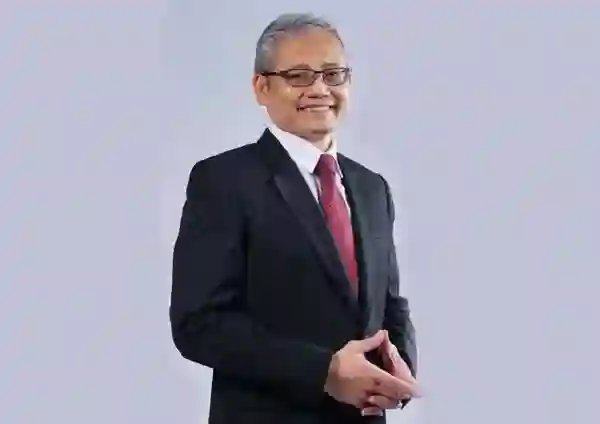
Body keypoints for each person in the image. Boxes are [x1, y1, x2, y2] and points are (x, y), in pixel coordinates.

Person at [169, 12, 421, 424]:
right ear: (262, 87)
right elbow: (199, 325)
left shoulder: (372, 187)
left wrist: (399, 368)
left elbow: (389, 305)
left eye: (333, 74)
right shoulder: (224, 181)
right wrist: (324, 372)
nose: (320, 89)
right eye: (299, 76)